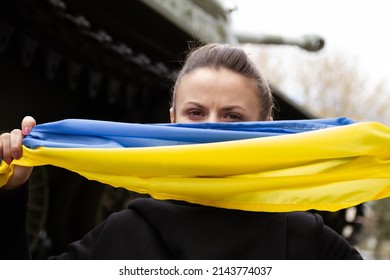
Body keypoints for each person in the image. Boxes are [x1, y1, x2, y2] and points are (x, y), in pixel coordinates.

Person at [0, 43, 362, 259]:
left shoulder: (310, 244)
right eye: (196, 113)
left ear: (265, 125)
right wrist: (12, 192)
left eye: (233, 117)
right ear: (172, 120)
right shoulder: (122, 234)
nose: (211, 130)